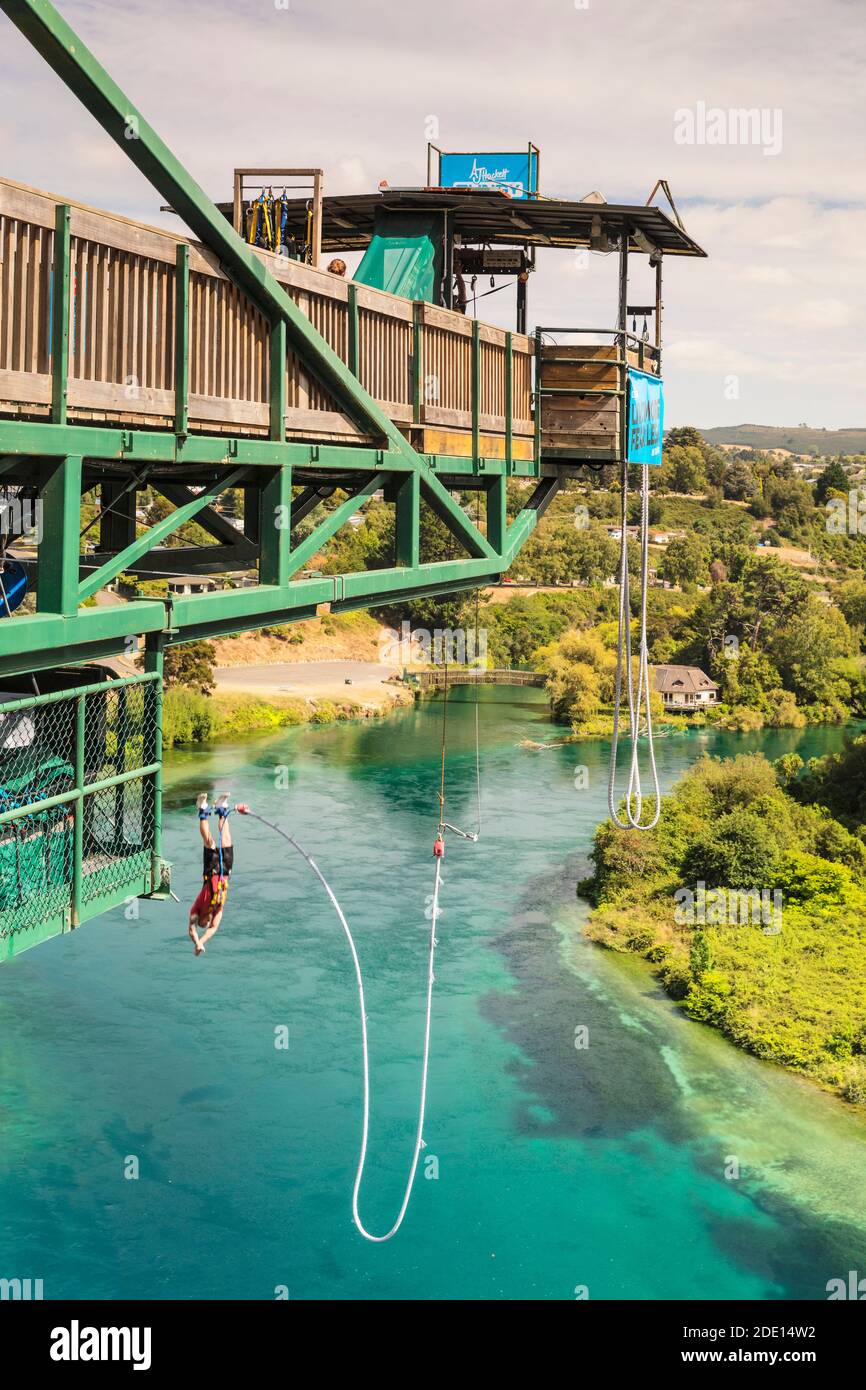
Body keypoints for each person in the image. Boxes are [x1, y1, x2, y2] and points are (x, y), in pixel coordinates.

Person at [188, 793, 249, 956]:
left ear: (200, 917)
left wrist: (197, 941)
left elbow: (191, 929)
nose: (207, 922)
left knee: (209, 841)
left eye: (204, 921)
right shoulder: (216, 912)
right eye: (206, 923)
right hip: (225, 872)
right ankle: (221, 808)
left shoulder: (196, 909)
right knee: (226, 839)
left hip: (210, 871)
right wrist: (203, 942)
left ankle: (202, 809)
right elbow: (214, 928)